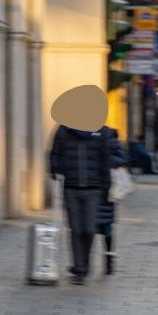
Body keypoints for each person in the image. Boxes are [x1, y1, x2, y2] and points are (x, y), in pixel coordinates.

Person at [49, 122, 115, 285]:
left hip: (94, 188)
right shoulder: (64, 130)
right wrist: (55, 170)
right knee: (76, 229)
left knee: (89, 229)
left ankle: (83, 263)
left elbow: (105, 160)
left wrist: (106, 187)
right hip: (71, 187)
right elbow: (54, 154)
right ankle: (80, 269)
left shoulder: (101, 131)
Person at [97, 135, 129, 275]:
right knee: (88, 228)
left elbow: (123, 158)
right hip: (90, 187)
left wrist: (105, 161)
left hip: (107, 190)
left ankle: (109, 258)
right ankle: (83, 263)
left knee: (107, 226)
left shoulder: (109, 136)